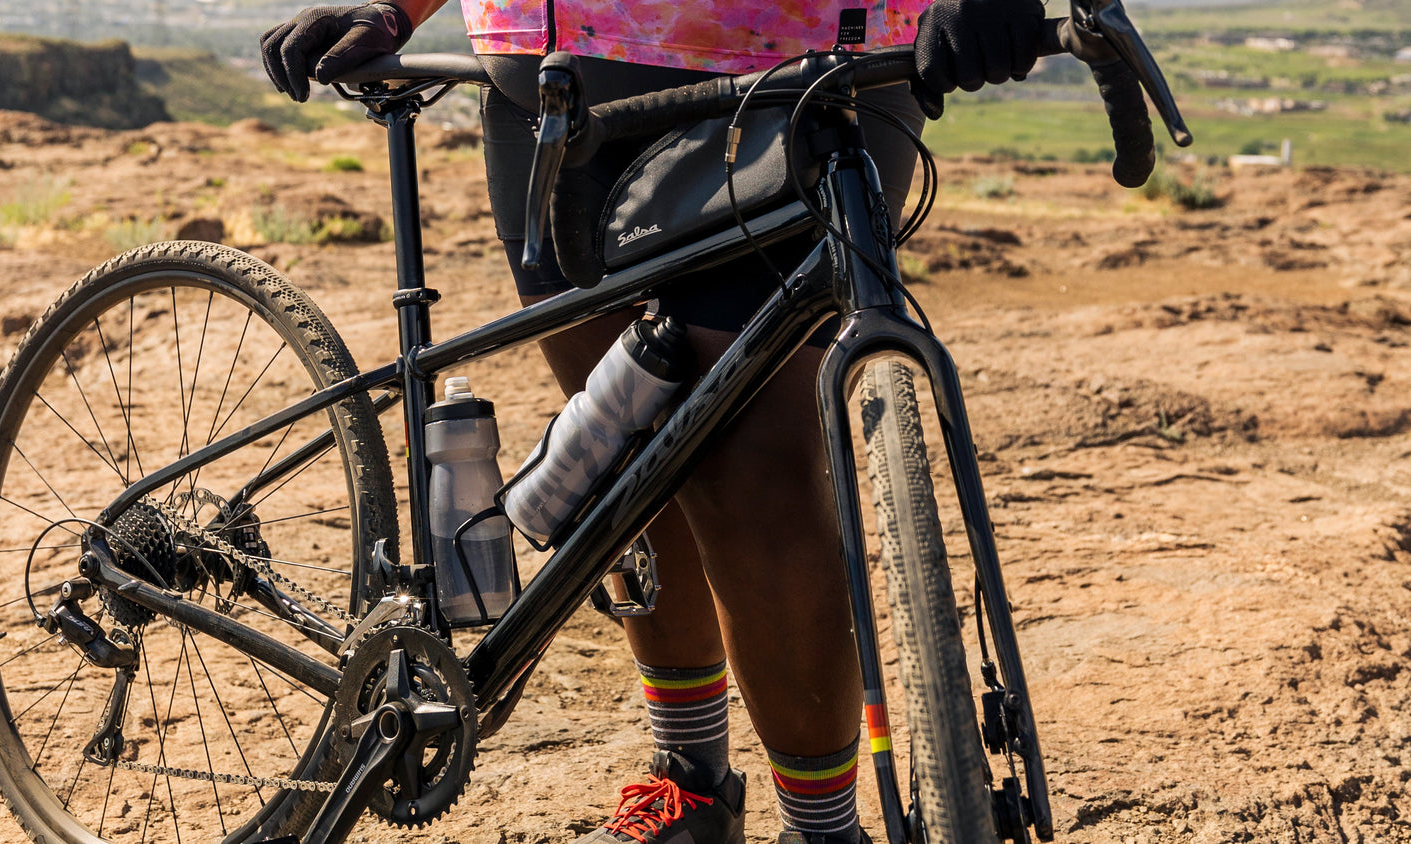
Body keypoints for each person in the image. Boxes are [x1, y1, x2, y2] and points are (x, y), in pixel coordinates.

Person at [261, 3, 1046, 843]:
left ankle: (821, 830)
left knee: (757, 484)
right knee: (627, 468)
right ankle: (690, 789)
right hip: (552, 77)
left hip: (809, 74)